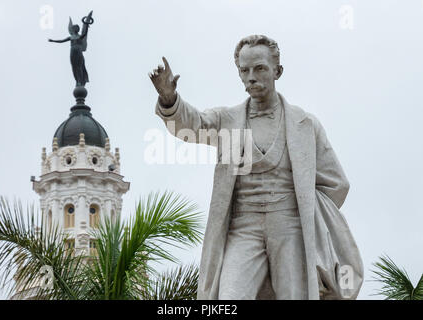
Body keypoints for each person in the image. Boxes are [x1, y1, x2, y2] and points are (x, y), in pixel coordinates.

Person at [149, 35, 362, 300]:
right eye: (244, 70)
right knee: (229, 297)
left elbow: (337, 183)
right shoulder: (227, 119)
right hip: (242, 228)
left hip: (290, 228)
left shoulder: (305, 124)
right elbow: (192, 126)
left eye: (260, 68)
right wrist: (170, 99)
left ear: (278, 71)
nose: (251, 77)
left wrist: (307, 210)